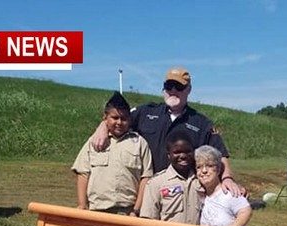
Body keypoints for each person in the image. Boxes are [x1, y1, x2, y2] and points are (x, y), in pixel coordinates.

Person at [90, 67, 245, 196]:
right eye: (169, 86)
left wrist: (227, 179)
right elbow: (118, 119)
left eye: (179, 87)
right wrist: (103, 126)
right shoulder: (145, 112)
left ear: (188, 90)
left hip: (180, 193)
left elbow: (220, 154)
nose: (173, 91)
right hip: (145, 189)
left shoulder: (201, 123)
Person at [72, 91, 153, 216]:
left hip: (127, 213)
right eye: (115, 118)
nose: (119, 122)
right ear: (105, 118)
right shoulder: (94, 141)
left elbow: (146, 178)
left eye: (124, 118)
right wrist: (82, 205)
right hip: (96, 211)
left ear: (130, 120)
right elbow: (83, 173)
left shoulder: (139, 143)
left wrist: (136, 210)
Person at [139, 131, 201, 224]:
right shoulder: (156, 183)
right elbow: (148, 221)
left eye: (187, 151)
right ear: (169, 155)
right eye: (177, 152)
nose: (183, 156)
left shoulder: (202, 180)